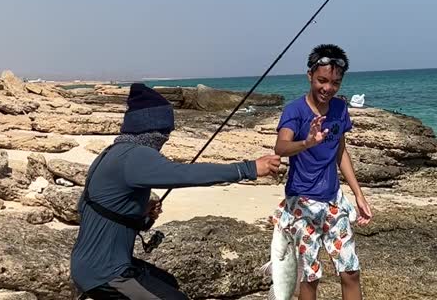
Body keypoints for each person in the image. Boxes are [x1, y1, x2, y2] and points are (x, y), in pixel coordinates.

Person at [70, 83, 281, 300]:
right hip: (106, 273)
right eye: (165, 131)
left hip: (95, 264)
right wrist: (247, 169)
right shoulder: (135, 156)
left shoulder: (112, 153)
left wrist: (141, 215)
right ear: (151, 128)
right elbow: (184, 174)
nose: (167, 137)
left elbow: (100, 212)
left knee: (169, 283)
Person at [272, 44, 372, 300]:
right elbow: (281, 147)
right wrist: (306, 142)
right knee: (310, 276)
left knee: (350, 271)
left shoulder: (339, 109)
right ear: (310, 76)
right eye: (322, 81)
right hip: (301, 204)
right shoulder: (295, 110)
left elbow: (341, 152)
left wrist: (358, 195)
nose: (327, 88)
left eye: (335, 82)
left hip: (333, 201)